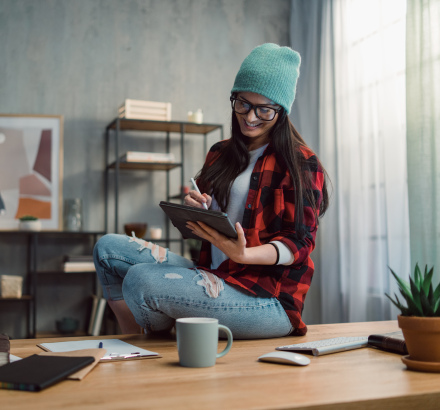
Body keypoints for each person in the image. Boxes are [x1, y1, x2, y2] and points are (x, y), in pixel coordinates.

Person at [93, 43, 329, 338]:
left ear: (281, 112)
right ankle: (136, 339)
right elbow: (204, 229)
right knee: (108, 249)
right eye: (243, 103)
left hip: (267, 300)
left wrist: (245, 255)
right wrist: (198, 209)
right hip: (215, 275)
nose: (250, 116)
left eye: (264, 109)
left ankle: (157, 332)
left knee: (140, 280)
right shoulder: (220, 153)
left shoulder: (301, 162)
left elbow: (301, 243)